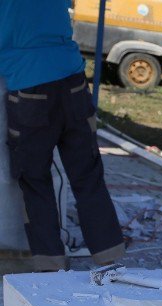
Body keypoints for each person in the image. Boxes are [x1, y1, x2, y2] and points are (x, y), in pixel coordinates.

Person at [1, 0, 125, 271]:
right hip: (73, 82)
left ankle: (51, 265)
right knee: (88, 175)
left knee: (34, 180)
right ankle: (110, 257)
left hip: (29, 86)